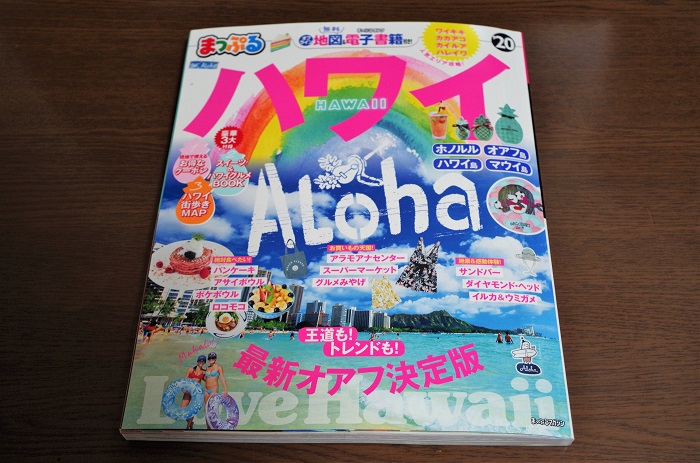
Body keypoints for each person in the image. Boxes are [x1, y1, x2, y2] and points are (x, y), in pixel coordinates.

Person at [203, 352, 228, 428]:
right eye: (210, 358)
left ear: (215, 359)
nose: (211, 359)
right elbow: (205, 379)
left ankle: (213, 426)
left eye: (213, 358)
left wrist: (225, 389)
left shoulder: (218, 367)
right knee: (205, 409)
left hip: (214, 389)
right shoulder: (207, 368)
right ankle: (208, 427)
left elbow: (222, 378)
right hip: (206, 390)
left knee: (211, 409)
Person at [181, 355, 206, 430]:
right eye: (200, 361)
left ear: (204, 362)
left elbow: (208, 381)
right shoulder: (190, 370)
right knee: (182, 410)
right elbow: (185, 380)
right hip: (188, 391)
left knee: (192, 410)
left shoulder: (204, 372)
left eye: (203, 361)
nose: (201, 362)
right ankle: (190, 422)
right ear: (197, 361)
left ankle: (188, 427)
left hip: (196, 393)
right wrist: (183, 389)